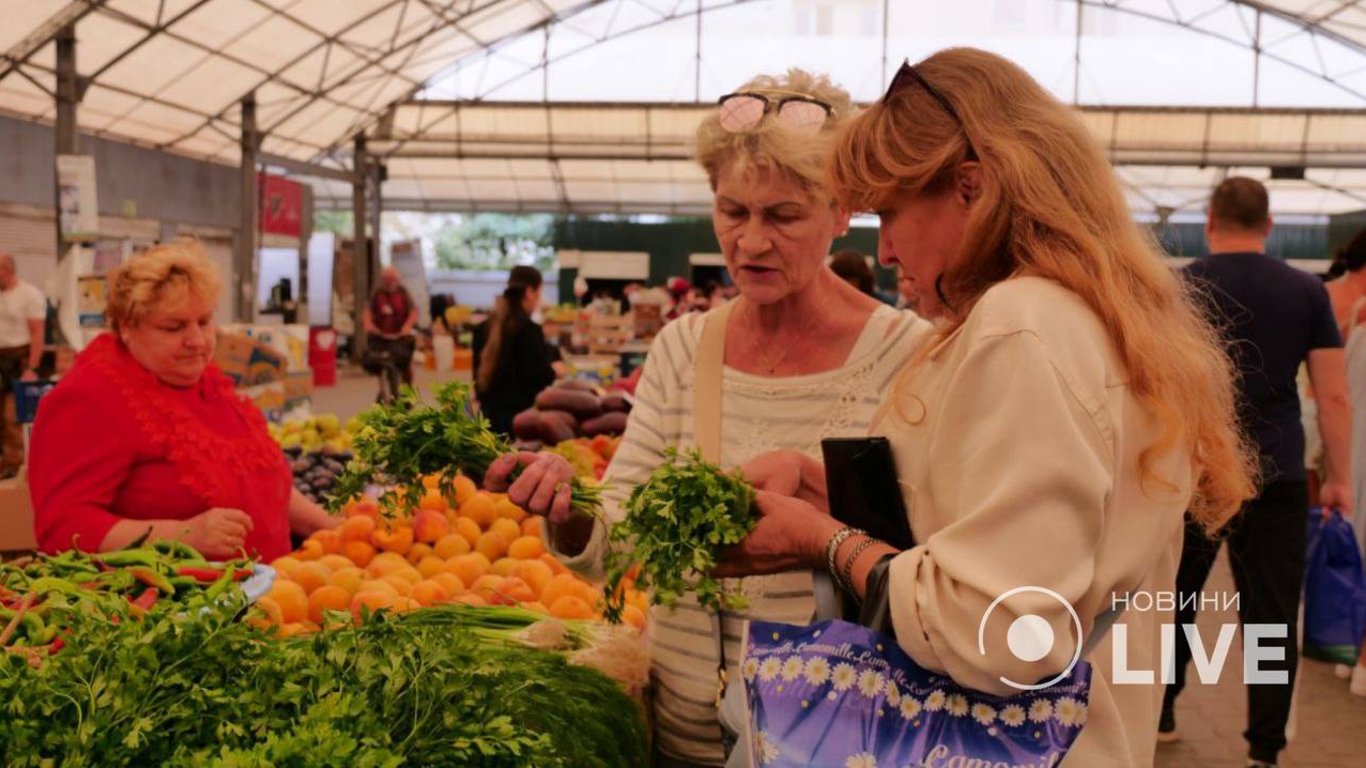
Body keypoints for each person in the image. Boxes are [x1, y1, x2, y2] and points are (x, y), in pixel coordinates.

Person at [715, 49, 1256, 767]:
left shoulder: (1021, 322)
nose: (883, 252)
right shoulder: (1087, 315)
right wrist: (818, 480)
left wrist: (821, 540)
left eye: (893, 214)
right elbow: (1015, 526)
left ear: (971, 189)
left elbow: (1004, 632)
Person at [485, 68, 927, 766]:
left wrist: (817, 501)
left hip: (837, 735)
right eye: (732, 211)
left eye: (783, 216)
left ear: (843, 212)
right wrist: (568, 503)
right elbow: (620, 534)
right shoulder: (685, 348)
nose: (751, 242)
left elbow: (934, 560)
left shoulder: (910, 356)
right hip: (685, 728)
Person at [1160, 178, 1353, 765]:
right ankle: (1264, 747)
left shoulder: (1178, 288)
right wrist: (1340, 476)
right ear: (1268, 226)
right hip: (1278, 476)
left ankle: (1161, 712)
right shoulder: (1306, 291)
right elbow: (1333, 396)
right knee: (1269, 617)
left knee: (1175, 604)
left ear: (1211, 223)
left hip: (1195, 476)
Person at [28, 241, 337, 561]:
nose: (198, 341)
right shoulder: (88, 398)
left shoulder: (205, 383)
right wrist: (182, 535)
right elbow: (62, 527)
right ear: (126, 327)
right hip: (171, 604)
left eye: (204, 322)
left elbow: (259, 478)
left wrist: (329, 527)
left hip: (272, 592)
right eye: (174, 327)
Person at [1315, 227, 1366, 696]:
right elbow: (1333, 392)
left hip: (1325, 431)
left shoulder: (1329, 295)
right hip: (1343, 431)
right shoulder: (1352, 305)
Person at [471, 266, 556, 437]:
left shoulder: (483, 328)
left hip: (486, 422)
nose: (538, 299)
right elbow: (541, 378)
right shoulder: (529, 330)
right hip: (519, 423)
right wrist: (554, 370)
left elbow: (477, 380)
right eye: (539, 293)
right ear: (529, 292)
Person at [0, 253, 46, 479]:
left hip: (19, 358)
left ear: (6, 272)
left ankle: (14, 464)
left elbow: (37, 333)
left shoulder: (30, 295)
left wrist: (32, 368)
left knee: (12, 416)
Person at [362, 266, 418, 397]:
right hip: (382, 336)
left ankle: (408, 390)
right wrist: (368, 325)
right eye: (386, 279)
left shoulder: (404, 293)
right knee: (376, 360)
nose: (389, 282)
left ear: (397, 280)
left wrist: (407, 327)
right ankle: (383, 389)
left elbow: (413, 312)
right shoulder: (377, 293)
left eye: (392, 279)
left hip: (399, 336)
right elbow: (367, 312)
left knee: (406, 363)